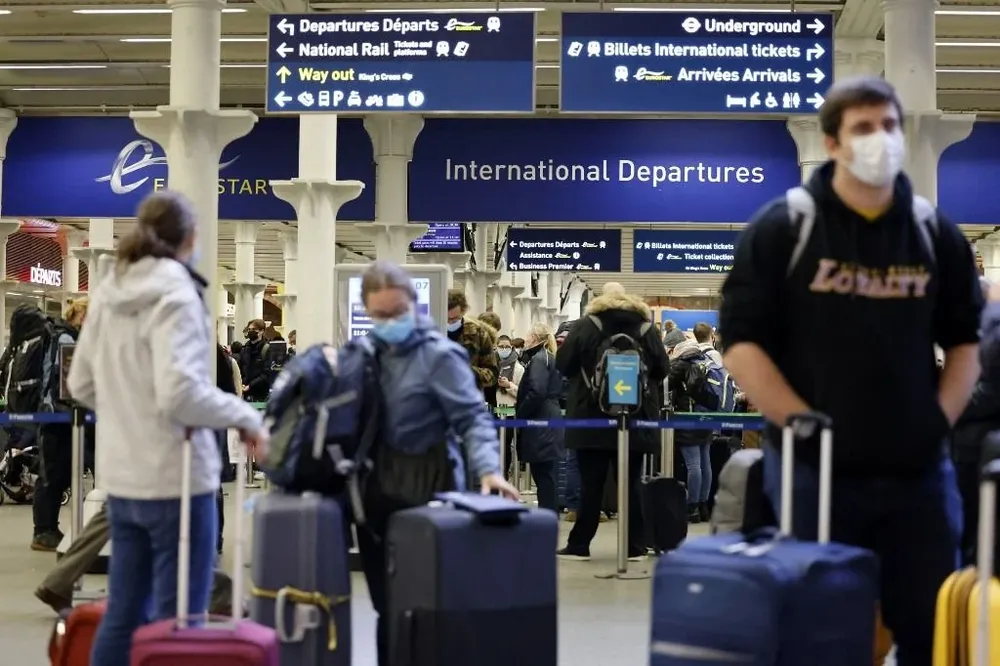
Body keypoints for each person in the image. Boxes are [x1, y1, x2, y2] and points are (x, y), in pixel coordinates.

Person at [719, 76, 981, 666]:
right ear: (832, 142)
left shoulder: (931, 232)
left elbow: (965, 341)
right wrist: (798, 421)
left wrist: (938, 420)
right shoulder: (785, 227)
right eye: (864, 128)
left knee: (932, 625)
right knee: (825, 628)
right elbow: (741, 341)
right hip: (818, 469)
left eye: (889, 126)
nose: (881, 139)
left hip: (918, 472)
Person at [67, 190, 268, 666]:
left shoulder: (109, 294)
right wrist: (246, 415)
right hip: (176, 482)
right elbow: (179, 393)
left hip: (123, 481)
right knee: (179, 617)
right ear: (191, 239)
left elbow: (80, 382)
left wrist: (129, 418)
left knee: (122, 612)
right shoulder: (178, 295)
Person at [354, 261, 517, 666]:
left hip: (428, 491)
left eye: (397, 312)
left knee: (428, 601)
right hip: (372, 497)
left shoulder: (440, 357)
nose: (390, 321)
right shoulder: (360, 354)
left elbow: (472, 417)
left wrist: (487, 469)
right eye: (380, 315)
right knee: (386, 604)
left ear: (414, 305)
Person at [555, 281, 670, 561]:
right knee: (631, 484)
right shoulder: (645, 328)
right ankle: (635, 546)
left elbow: (564, 365)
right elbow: (663, 368)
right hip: (634, 418)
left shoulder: (586, 326)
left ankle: (580, 544)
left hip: (590, 419)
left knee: (590, 485)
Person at [31, 297, 90, 552]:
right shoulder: (66, 339)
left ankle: (48, 528)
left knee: (58, 473)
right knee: (52, 474)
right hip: (56, 415)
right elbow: (68, 383)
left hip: (57, 415)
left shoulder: (61, 335)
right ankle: (43, 531)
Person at [953, 277, 1000, 568]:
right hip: (974, 443)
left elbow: (990, 389)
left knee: (973, 529)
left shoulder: (992, 321)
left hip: (977, 445)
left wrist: (947, 407)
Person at [513, 322, 564, 512]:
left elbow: (536, 391)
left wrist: (521, 413)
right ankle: (549, 514)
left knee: (543, 475)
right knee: (547, 474)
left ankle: (548, 516)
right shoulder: (548, 358)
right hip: (549, 419)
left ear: (534, 338)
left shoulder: (539, 360)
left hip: (540, 422)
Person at [666, 335, 716, 523]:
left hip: (688, 418)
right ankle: (704, 507)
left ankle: (692, 507)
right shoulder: (704, 358)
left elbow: (666, 385)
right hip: (707, 416)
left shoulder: (680, 363)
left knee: (693, 464)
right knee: (705, 462)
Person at [445, 289, 498, 396]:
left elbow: (492, 374)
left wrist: (468, 371)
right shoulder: (431, 332)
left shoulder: (478, 334)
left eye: (454, 319)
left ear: (463, 311)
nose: (450, 322)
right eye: (446, 319)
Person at [496, 334, 524, 479]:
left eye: (507, 347)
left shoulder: (518, 368)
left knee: (505, 446)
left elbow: (523, 392)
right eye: (501, 347)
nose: (504, 349)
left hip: (508, 412)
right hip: (492, 412)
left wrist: (509, 386)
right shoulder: (492, 364)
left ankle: (504, 475)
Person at [238, 318, 272, 402]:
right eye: (249, 329)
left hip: (260, 394)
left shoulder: (266, 349)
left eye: (253, 329)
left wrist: (250, 385)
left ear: (262, 331)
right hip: (245, 393)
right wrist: (241, 384)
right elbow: (240, 368)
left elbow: (266, 374)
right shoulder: (244, 349)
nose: (250, 332)